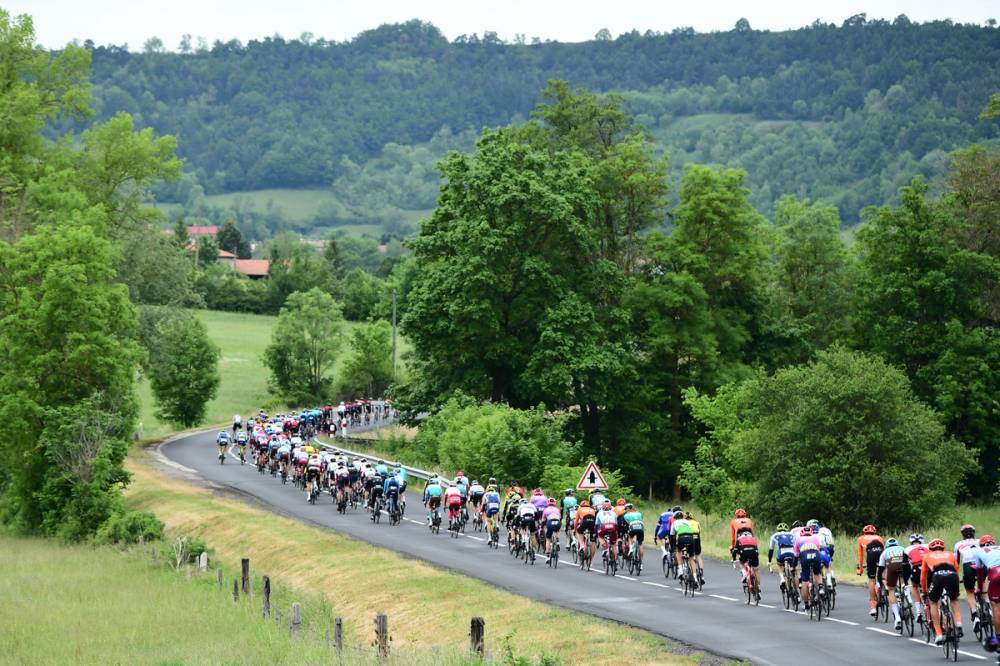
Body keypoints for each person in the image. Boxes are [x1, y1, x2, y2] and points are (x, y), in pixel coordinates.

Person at [921, 538, 964, 645]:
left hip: (938, 576)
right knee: (954, 600)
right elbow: (956, 569)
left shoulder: (927, 556)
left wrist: (925, 591)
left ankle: (939, 634)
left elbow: (923, 577)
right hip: (952, 576)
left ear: (930, 549)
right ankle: (958, 622)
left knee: (933, 602)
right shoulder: (950, 554)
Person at [971, 535, 999, 652]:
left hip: (996, 573)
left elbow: (980, 574)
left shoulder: (978, 551)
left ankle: (997, 640)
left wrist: (979, 589)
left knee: (996, 607)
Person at [955, 524, 982, 633]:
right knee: (983, 587)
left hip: (968, 565)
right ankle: (988, 607)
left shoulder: (958, 544)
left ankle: (975, 615)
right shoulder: (979, 541)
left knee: (969, 591)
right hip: (981, 565)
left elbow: (956, 562)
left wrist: (957, 577)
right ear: (974, 533)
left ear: (962, 534)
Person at [877, 538, 908, 630]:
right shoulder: (903, 548)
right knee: (903, 579)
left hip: (892, 568)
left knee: (891, 589)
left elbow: (881, 570)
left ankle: (897, 617)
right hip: (903, 566)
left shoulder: (885, 552)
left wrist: (880, 581)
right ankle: (905, 591)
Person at [857, 524, 885, 618]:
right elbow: (884, 553)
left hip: (871, 555)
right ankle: (884, 587)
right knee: (883, 575)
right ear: (874, 532)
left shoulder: (861, 538)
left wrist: (860, 569)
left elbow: (861, 556)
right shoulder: (880, 538)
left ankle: (873, 607)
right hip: (881, 553)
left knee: (872, 579)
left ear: (864, 532)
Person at [671, 510, 703, 586]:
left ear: (675, 518)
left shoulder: (674, 523)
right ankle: (695, 578)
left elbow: (672, 536)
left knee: (678, 552)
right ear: (683, 517)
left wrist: (673, 547)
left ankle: (681, 570)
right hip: (691, 538)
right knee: (691, 558)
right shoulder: (687, 522)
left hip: (681, 538)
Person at [795, 526, 824, 608]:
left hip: (805, 556)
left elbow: (796, 555)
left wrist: (793, 566)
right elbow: (818, 549)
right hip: (816, 555)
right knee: (817, 573)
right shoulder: (815, 537)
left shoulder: (798, 539)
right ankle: (821, 588)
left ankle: (806, 604)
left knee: (805, 581)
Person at [905, 534, 929, 626]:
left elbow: (906, 565)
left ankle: (919, 612)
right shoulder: (927, 546)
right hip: (928, 568)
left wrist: (906, 580)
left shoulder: (908, 549)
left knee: (914, 586)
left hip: (916, 569)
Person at [767, 523, 797, 592]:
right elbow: (796, 547)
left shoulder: (774, 535)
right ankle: (795, 584)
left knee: (780, 565)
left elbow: (771, 550)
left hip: (782, 552)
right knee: (793, 567)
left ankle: (782, 579)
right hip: (792, 552)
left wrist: (769, 561)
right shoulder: (792, 534)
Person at [595, 500, 619, 567]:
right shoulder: (613, 513)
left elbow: (596, 525)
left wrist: (596, 534)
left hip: (604, 527)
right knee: (613, 544)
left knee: (600, 536)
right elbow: (617, 524)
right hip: (613, 527)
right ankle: (616, 559)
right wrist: (616, 533)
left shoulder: (599, 513)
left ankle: (605, 548)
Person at [573, 500, 597, 564]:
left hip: (584, 522)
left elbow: (576, 521)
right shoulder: (592, 509)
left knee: (579, 531)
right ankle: (590, 561)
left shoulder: (579, 509)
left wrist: (574, 530)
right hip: (592, 522)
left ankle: (582, 545)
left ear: (581, 505)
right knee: (593, 541)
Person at [542, 498, 562, 564]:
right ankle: (557, 541)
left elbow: (543, 520)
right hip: (557, 522)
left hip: (550, 522)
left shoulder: (545, 510)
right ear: (555, 503)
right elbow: (559, 518)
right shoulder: (557, 509)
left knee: (548, 539)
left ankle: (547, 556)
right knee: (557, 531)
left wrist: (542, 528)